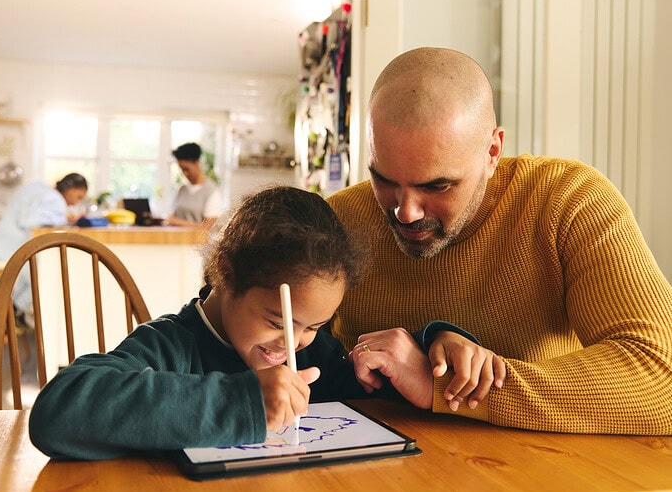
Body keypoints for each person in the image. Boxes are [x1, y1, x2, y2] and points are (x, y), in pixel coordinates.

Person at [329, 47, 672, 435]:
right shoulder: (337, 221)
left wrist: (447, 388)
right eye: (384, 180)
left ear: (493, 151)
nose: (405, 212)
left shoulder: (569, 202)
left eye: (438, 185)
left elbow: (661, 377)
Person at [28, 186, 504, 460]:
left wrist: (438, 344)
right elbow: (57, 413)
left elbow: (382, 395)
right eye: (278, 319)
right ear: (225, 275)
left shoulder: (311, 356)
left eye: (313, 326)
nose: (292, 344)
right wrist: (244, 401)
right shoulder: (172, 345)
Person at [0, 173, 88, 314]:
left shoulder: (41, 189)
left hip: (2, 245)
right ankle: (11, 316)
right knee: (42, 279)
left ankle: (12, 315)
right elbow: (29, 220)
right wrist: (61, 220)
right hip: (10, 249)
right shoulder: (55, 199)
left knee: (34, 279)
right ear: (70, 188)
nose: (77, 203)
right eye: (79, 197)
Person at [166, 142, 222, 228]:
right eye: (181, 169)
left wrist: (178, 222)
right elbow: (171, 217)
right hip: (178, 240)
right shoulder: (182, 189)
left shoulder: (212, 191)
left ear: (197, 162)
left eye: (186, 169)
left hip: (197, 241)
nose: (184, 173)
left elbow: (208, 227)